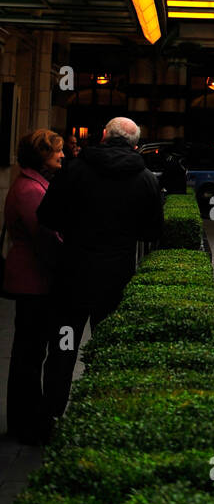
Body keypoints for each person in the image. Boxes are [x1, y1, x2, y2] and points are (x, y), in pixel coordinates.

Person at [38, 116, 163, 422]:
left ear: (104, 135)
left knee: (63, 348)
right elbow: (152, 232)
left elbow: (48, 216)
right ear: (135, 144)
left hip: (72, 274)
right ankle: (101, 418)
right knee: (108, 347)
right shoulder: (145, 178)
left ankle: (51, 416)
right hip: (115, 278)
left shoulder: (75, 170)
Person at [2, 130, 64, 444]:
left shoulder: (32, 184)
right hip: (32, 281)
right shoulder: (30, 189)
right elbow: (46, 237)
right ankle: (26, 423)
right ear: (41, 154)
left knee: (29, 351)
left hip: (32, 279)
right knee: (29, 352)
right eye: (57, 151)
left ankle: (25, 419)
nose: (62, 156)